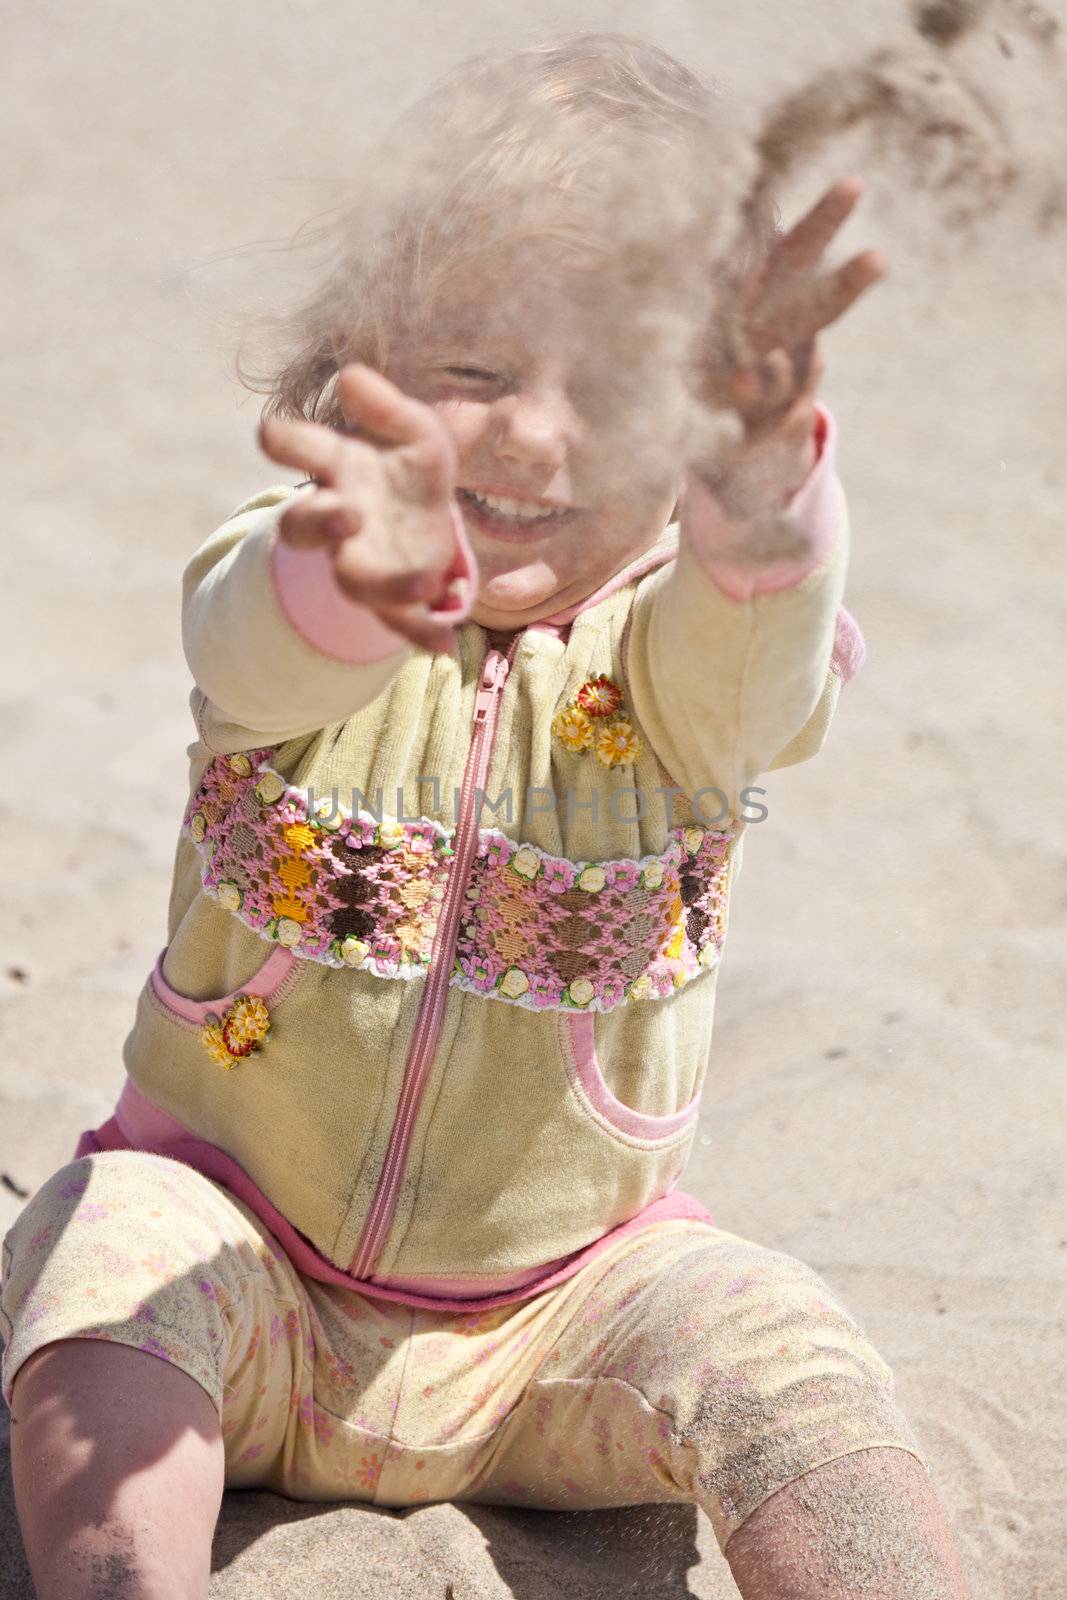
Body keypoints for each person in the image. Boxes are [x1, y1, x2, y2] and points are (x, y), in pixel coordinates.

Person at [1, 34, 970, 1600]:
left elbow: (763, 653)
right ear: (356, 368)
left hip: (560, 1314)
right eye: (473, 372)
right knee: (96, 1261)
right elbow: (248, 636)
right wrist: (347, 567)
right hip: (241, 1255)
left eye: (618, 386)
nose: (531, 434)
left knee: (791, 1358)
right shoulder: (309, 584)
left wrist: (764, 492)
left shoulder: (685, 658)